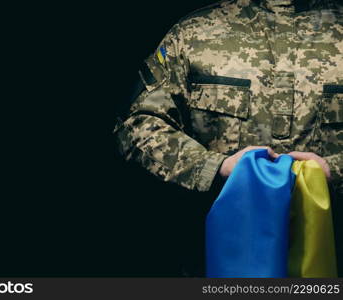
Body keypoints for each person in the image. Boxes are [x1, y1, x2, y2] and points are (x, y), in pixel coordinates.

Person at [114, 0, 343, 275]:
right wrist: (212, 167)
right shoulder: (194, 33)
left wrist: (336, 170)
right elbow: (137, 123)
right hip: (214, 257)